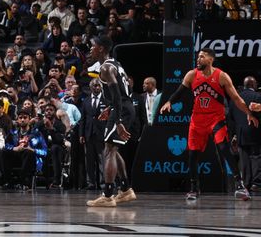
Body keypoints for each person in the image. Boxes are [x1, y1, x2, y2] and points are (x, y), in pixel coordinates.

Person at [160, 48, 258, 201]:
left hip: (216, 119)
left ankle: (239, 186)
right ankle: (194, 189)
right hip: (197, 121)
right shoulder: (191, 74)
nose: (198, 59)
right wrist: (169, 102)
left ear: (210, 59)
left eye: (202, 57)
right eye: (198, 56)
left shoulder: (221, 76)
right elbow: (179, 92)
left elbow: (237, 99)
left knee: (224, 149)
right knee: (193, 155)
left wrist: (249, 113)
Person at [86, 36, 137, 207]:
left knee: (108, 151)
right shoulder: (116, 64)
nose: (90, 49)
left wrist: (118, 119)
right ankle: (126, 189)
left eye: (92, 46)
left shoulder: (106, 68)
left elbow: (117, 95)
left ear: (101, 48)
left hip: (121, 109)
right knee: (112, 149)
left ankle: (107, 195)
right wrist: (110, 110)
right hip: (123, 107)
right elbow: (125, 91)